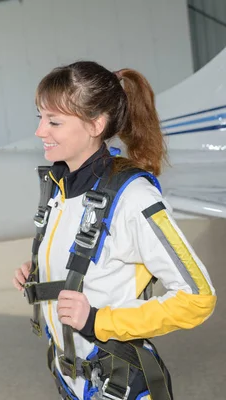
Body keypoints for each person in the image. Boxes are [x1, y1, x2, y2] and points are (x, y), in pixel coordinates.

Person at [12, 61, 216, 399]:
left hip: (118, 384)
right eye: (40, 118)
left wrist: (97, 321)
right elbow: (94, 267)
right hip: (72, 381)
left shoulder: (133, 197)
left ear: (95, 124)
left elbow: (198, 298)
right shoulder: (59, 188)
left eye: (54, 121)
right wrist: (39, 272)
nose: (40, 132)